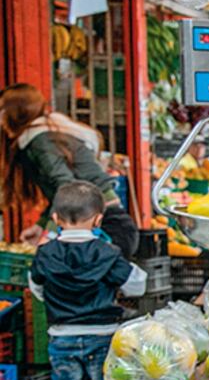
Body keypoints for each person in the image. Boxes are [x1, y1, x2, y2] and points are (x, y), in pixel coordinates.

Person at [29, 181, 147, 380]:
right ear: (98, 219)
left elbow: (36, 287)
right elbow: (137, 284)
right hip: (102, 337)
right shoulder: (106, 253)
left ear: (55, 218)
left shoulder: (46, 254)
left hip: (61, 338)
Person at [0, 83, 139, 257]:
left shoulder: (40, 141)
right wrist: (41, 225)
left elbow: (67, 187)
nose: (1, 118)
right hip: (103, 222)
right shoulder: (44, 134)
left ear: (16, 112)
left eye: (3, 111)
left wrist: (49, 234)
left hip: (103, 225)